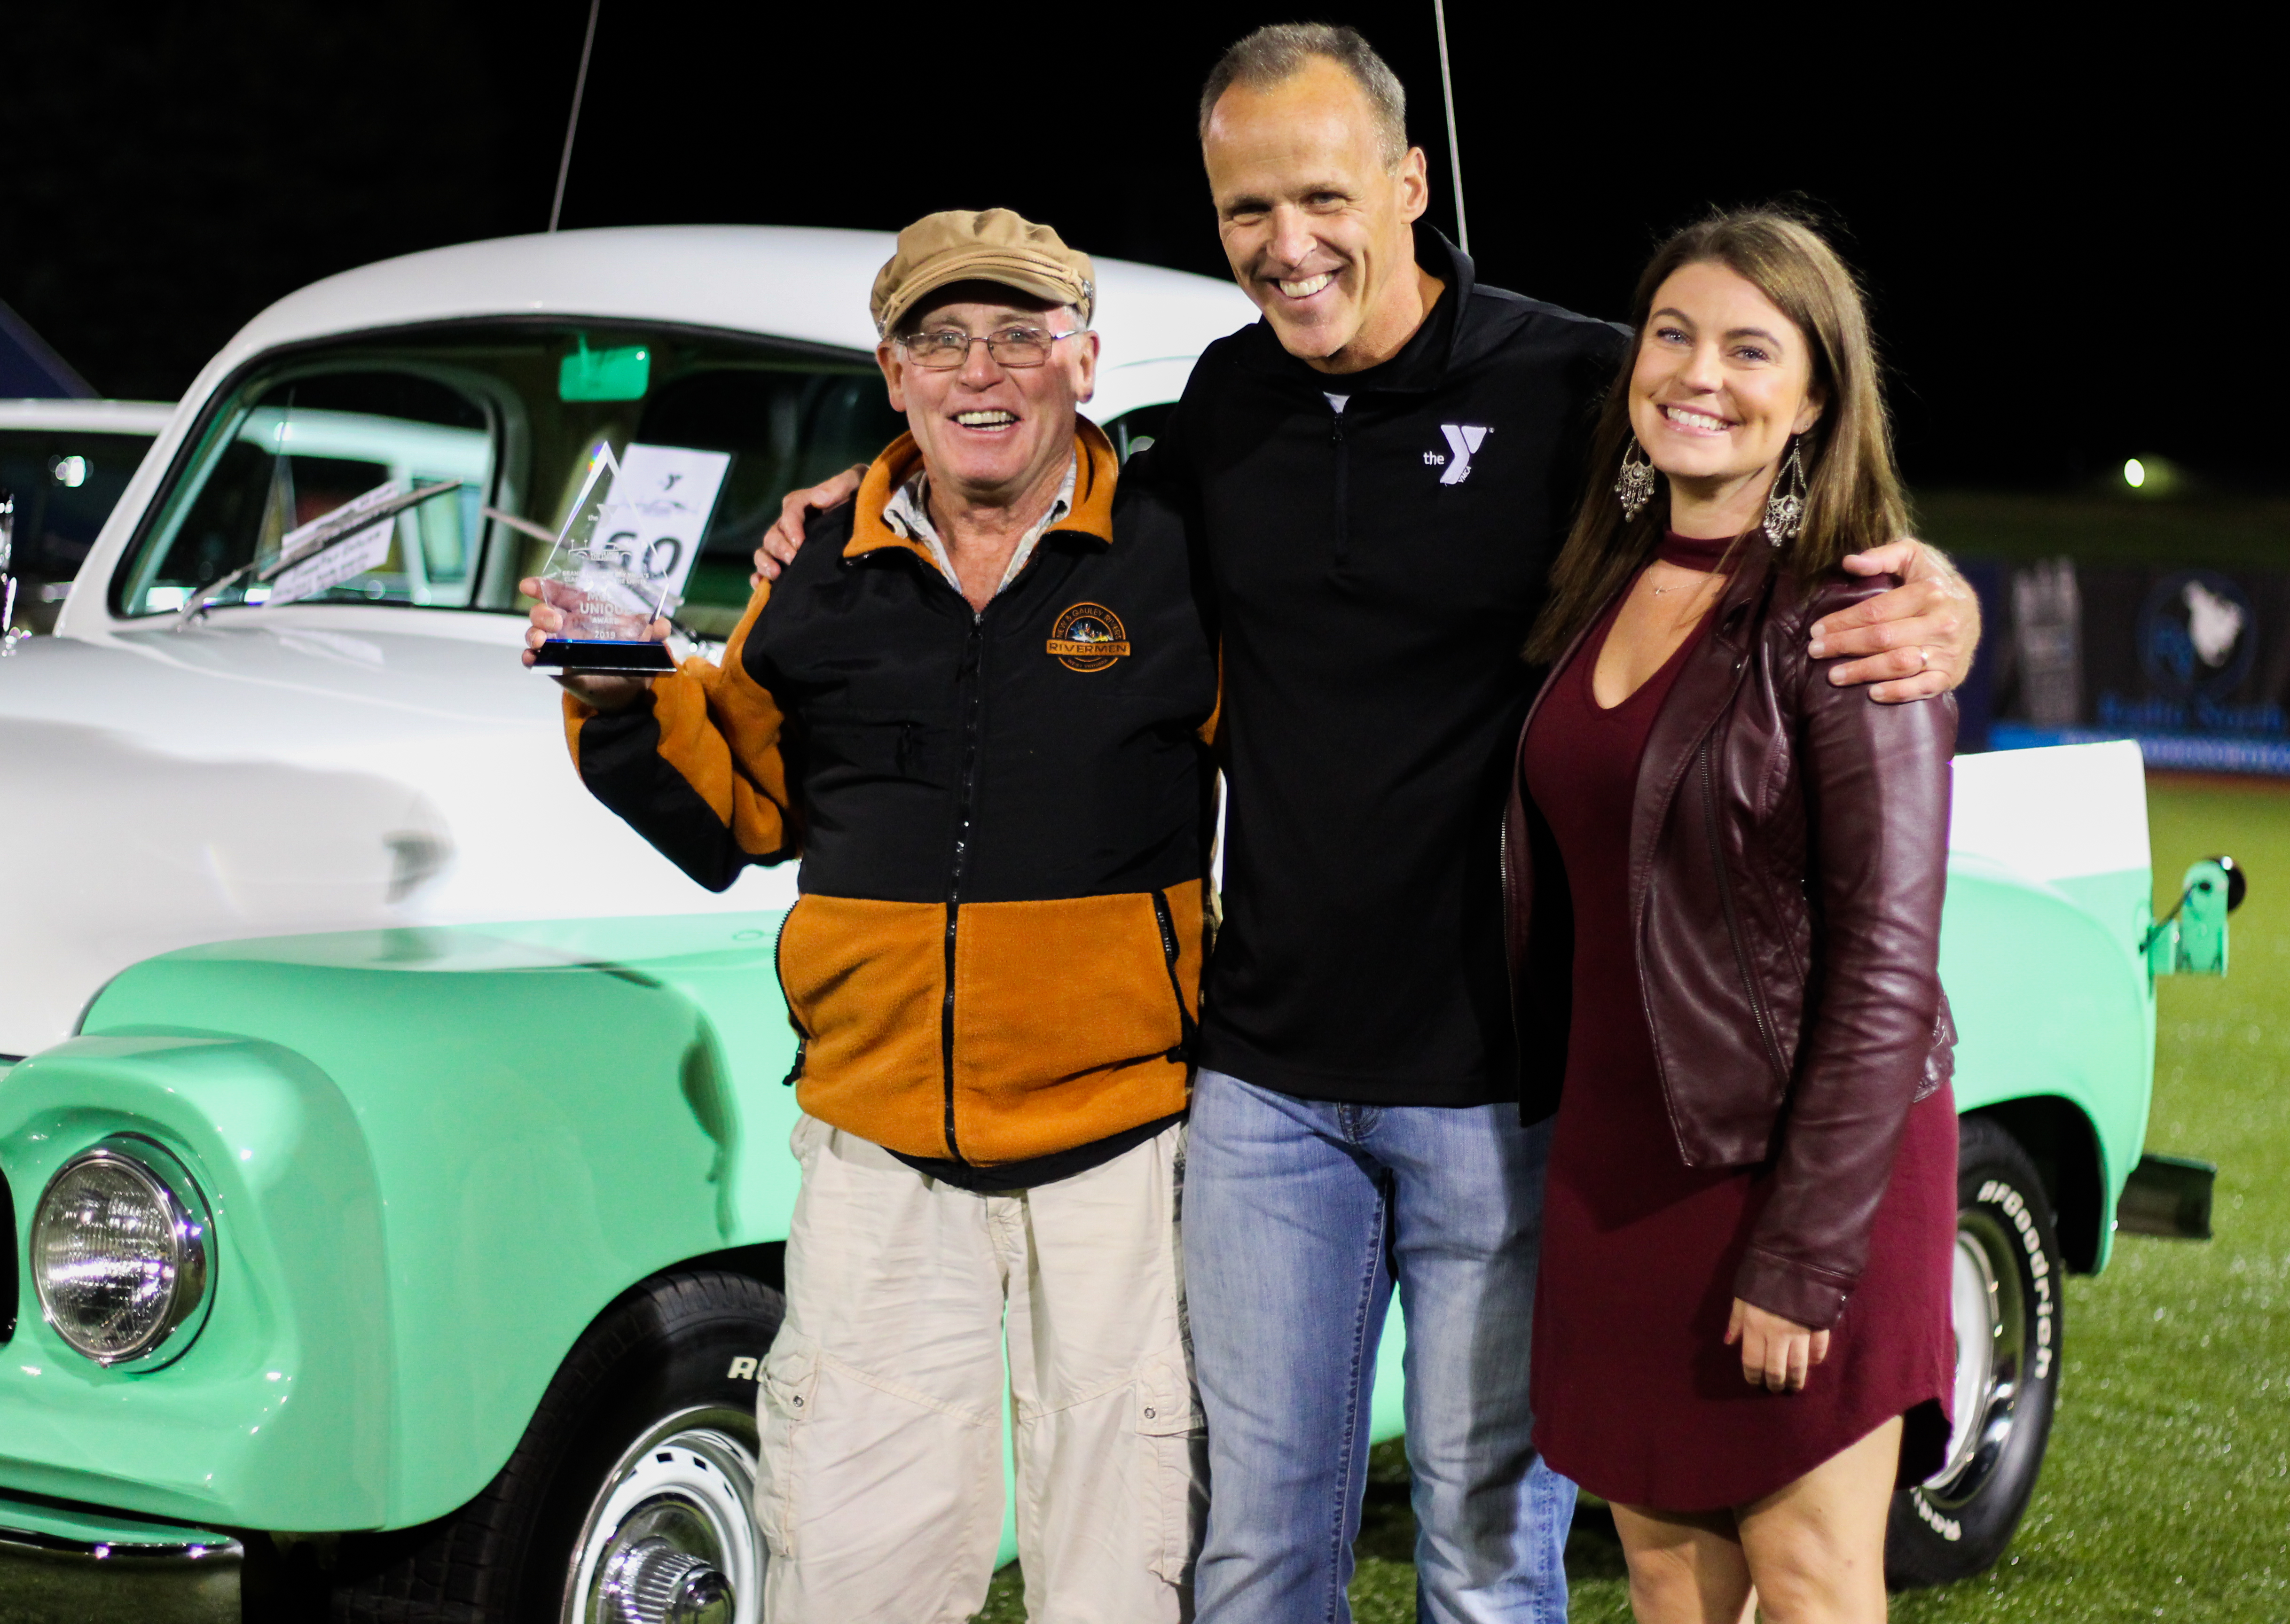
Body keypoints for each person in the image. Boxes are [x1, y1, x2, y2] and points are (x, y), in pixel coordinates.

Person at [754, 27, 1981, 1623]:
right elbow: (1041, 474)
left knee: (1486, 1558)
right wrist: (853, 495)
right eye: (1245, 208)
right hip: (1264, 1086)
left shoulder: (1569, 382)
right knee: (1253, 1557)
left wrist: (1936, 591)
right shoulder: (1226, 403)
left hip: (1507, 1090)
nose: (1287, 242)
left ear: (1408, 183)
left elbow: (1751, 449)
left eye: (1321, 194)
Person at [532, 208, 1217, 1624]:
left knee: (1128, 1571)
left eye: (1022, 337)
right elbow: (742, 818)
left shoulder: (1177, 557)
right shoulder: (819, 572)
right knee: (850, 1566)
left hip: (1126, 1154)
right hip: (878, 1152)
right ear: (892, 373)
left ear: (1083, 362)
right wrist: (616, 699)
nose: (985, 370)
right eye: (943, 339)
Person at [1508, 207, 1957, 1624]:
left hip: (1798, 1175)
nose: (1700, 375)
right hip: (1619, 1168)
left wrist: (1806, 1254)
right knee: (1661, 1575)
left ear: (1817, 396)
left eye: (1752, 349)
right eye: (1674, 336)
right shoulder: (1594, 581)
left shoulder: (1853, 619)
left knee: (1813, 1581)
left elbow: (1888, 973)